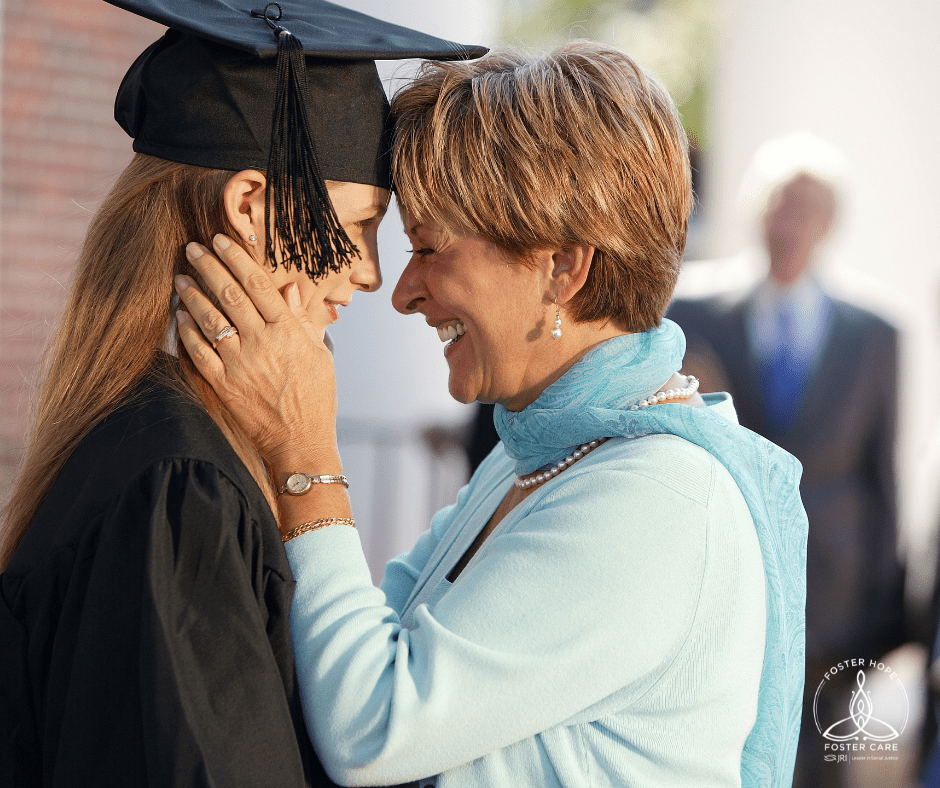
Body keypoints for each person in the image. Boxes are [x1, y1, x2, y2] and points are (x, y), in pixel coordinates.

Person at [175, 42, 808, 787]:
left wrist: (302, 443)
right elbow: (358, 648)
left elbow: (372, 725)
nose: (401, 290)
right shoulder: (540, 453)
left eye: (429, 248)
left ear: (562, 268)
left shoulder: (656, 499)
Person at [0, 0, 484, 784]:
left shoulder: (152, 439)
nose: (369, 272)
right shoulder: (180, 487)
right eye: (361, 225)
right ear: (252, 207)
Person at [667, 134, 904, 788]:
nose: (789, 223)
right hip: (727, 570)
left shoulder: (877, 332)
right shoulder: (691, 309)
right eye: (778, 204)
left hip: (834, 590)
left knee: (825, 759)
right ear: (756, 212)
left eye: (806, 209)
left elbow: (880, 471)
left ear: (829, 224)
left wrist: (888, 604)